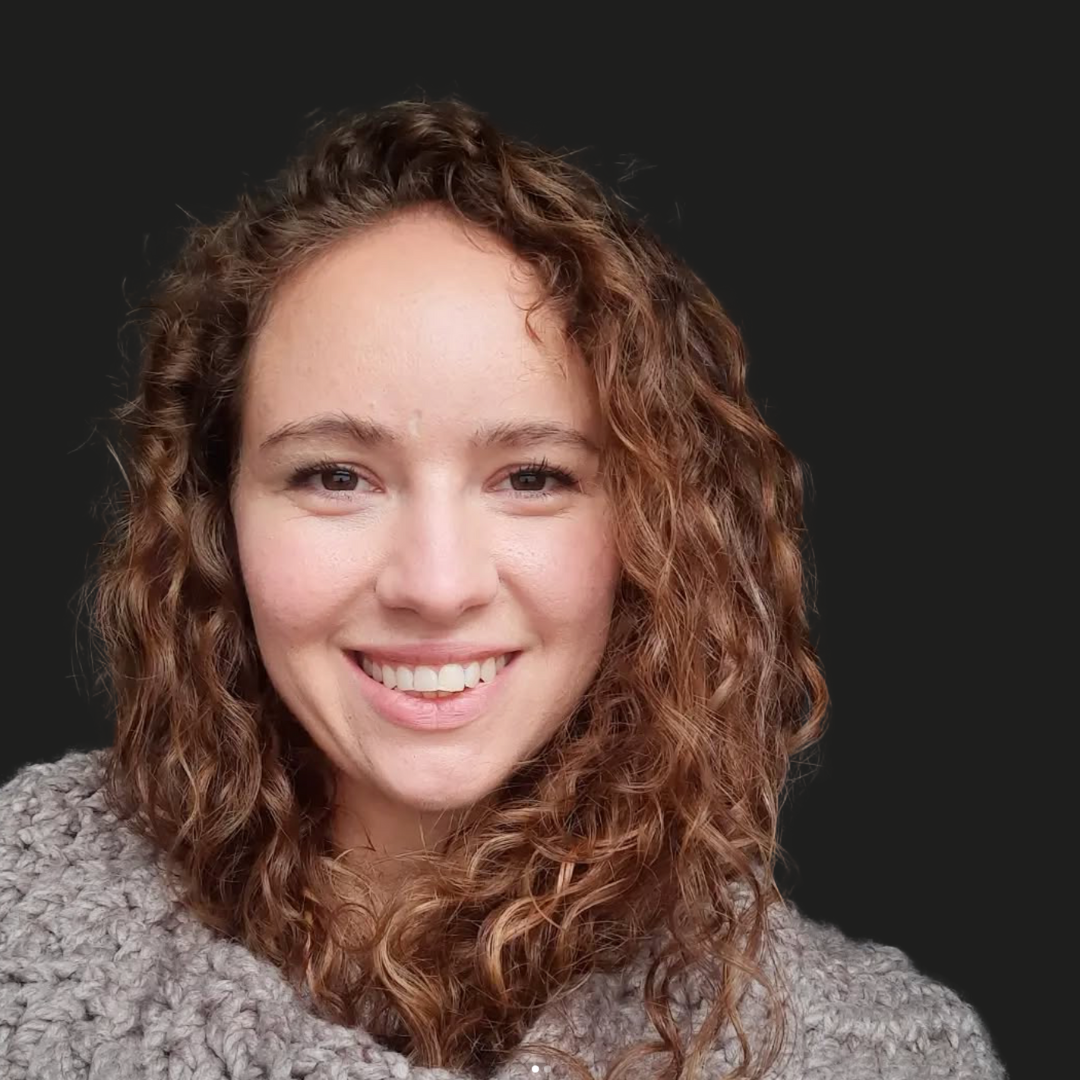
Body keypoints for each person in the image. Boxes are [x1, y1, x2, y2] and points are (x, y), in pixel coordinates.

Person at [0, 98, 1005, 1079]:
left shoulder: (876, 1057)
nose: (436, 586)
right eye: (336, 476)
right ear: (214, 515)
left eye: (532, 478)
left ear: (657, 523)